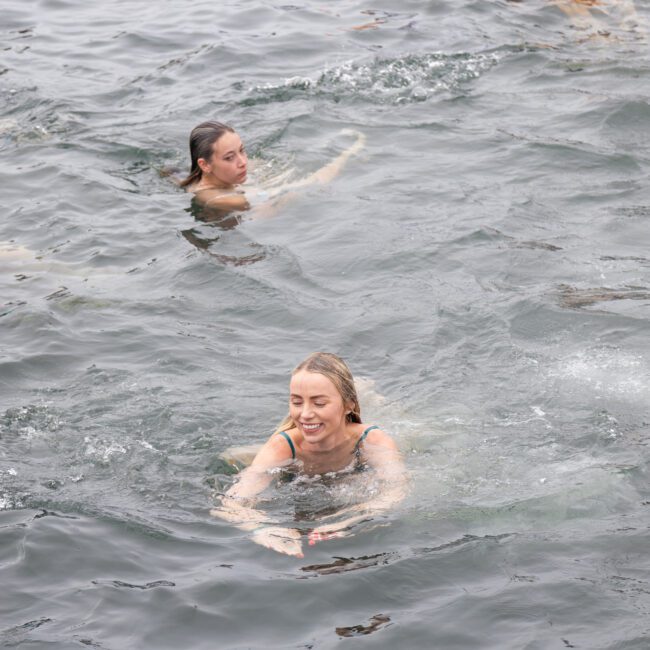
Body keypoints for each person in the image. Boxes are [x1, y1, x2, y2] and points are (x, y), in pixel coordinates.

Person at [211, 352, 407, 557]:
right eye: (297, 402)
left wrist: (347, 520)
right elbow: (230, 504)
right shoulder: (283, 446)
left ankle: (366, 389)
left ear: (349, 405)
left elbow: (396, 491)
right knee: (232, 457)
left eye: (319, 403)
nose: (304, 414)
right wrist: (263, 528)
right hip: (292, 457)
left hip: (356, 443)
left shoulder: (372, 440)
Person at [180, 121, 366, 214]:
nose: (243, 161)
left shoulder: (239, 170)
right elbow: (278, 194)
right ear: (205, 165)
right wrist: (348, 155)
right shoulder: (213, 198)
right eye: (229, 157)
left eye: (242, 151)